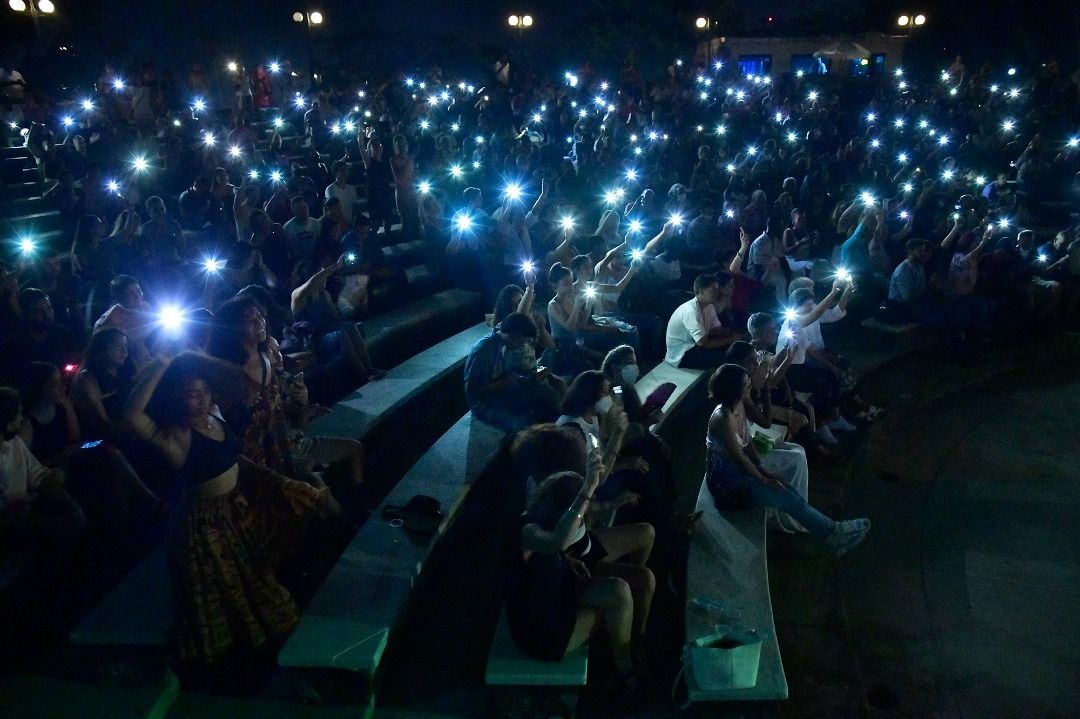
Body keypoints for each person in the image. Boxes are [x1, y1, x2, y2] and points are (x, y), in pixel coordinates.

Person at [123, 352, 339, 669]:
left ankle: (267, 648)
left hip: (236, 510)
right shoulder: (175, 436)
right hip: (204, 527)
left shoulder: (214, 414)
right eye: (191, 394)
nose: (199, 400)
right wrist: (163, 361)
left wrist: (280, 483)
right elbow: (131, 415)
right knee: (224, 593)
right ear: (178, 398)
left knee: (256, 580)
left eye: (203, 392)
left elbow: (235, 456)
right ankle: (236, 667)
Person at [504, 459, 650, 700]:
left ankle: (622, 659)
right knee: (619, 597)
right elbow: (556, 542)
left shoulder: (544, 522)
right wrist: (587, 489)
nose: (583, 521)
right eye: (580, 515)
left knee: (618, 591)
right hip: (541, 633)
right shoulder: (528, 530)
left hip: (554, 601)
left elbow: (552, 550)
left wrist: (567, 560)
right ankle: (624, 673)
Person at [704, 365, 869, 553]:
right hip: (727, 485)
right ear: (733, 390)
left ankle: (832, 533)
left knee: (787, 489)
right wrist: (764, 478)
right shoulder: (722, 418)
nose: (750, 386)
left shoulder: (739, 404)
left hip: (740, 471)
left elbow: (746, 440)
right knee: (783, 496)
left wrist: (761, 467)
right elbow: (739, 457)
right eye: (746, 385)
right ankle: (833, 532)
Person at [464, 312, 560, 433]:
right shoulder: (484, 350)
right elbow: (472, 390)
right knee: (521, 425)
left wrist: (530, 374)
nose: (522, 345)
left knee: (549, 395)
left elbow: (514, 371)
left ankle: (555, 435)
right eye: (521, 342)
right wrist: (505, 381)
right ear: (513, 336)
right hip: (484, 403)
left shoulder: (506, 344)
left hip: (505, 389)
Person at [664, 273, 740, 368]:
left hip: (696, 347)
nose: (717, 292)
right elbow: (703, 343)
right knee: (726, 359)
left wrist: (734, 334)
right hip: (682, 354)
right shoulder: (691, 311)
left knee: (736, 349)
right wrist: (730, 339)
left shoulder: (709, 306)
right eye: (713, 289)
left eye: (717, 288)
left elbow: (716, 330)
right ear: (701, 291)